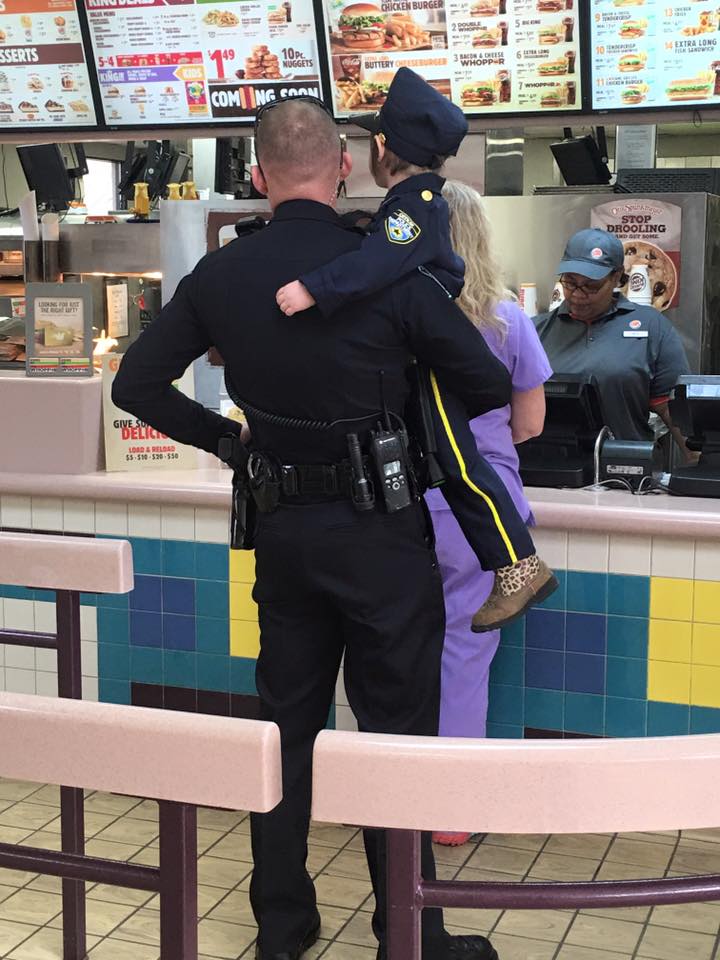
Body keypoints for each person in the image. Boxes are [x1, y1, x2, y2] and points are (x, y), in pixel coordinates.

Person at [111, 97, 509, 960]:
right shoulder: (381, 268)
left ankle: (282, 931)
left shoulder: (224, 274)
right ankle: (411, 930)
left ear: (256, 176)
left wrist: (228, 437)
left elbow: (135, 386)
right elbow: (482, 382)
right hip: (384, 541)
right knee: (397, 735)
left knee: (284, 731)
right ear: (341, 168)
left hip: (284, 533)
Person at [276, 67, 557, 633]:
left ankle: (518, 565)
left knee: (459, 464)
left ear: (383, 147)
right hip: (430, 347)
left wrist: (315, 288)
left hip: (432, 357)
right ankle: (515, 564)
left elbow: (381, 262)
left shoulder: (412, 204)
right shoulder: (415, 204)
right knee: (452, 459)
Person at [427, 181, 552, 847]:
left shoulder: (393, 315)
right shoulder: (506, 318)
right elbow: (530, 422)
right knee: (464, 654)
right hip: (482, 510)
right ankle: (450, 814)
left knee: (397, 650)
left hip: (402, 502)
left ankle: (391, 794)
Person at [535, 228, 691, 452]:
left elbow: (674, 412)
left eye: (591, 285)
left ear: (617, 276)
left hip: (623, 470)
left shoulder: (652, 328)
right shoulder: (535, 331)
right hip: (547, 469)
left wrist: (698, 465)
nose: (578, 294)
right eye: (570, 282)